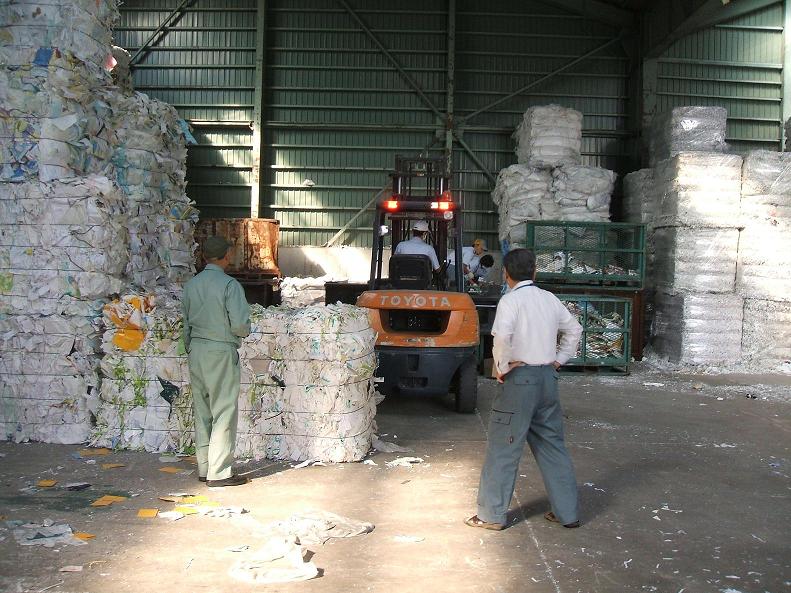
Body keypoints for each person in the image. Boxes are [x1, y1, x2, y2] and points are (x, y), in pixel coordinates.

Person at [466, 248, 583, 531]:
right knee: (552, 446)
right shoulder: (549, 299)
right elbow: (575, 329)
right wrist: (559, 360)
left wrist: (502, 367)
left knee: (503, 447)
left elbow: (502, 338)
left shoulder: (510, 301)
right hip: (547, 379)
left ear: (505, 274)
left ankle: (491, 515)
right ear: (535, 272)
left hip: (520, 380)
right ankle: (568, 513)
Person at [182, 236, 251, 487]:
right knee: (223, 411)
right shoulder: (229, 285)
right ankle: (219, 472)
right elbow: (240, 325)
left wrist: (191, 347)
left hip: (196, 351)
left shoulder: (191, 285)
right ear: (226, 255)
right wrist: (243, 331)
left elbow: (185, 323)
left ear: (204, 257)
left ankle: (204, 467)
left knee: (202, 411)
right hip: (220, 351)